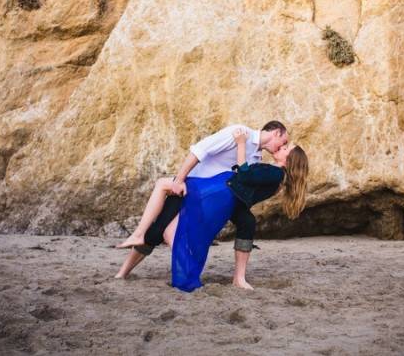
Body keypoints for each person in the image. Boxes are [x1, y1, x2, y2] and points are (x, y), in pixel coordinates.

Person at [114, 121, 289, 283]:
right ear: (276, 133)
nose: (282, 147)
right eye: (283, 142)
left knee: (245, 221)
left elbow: (241, 181)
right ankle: (123, 272)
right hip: (190, 186)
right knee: (156, 231)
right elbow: (200, 150)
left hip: (206, 197)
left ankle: (227, 276)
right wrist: (179, 180)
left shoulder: (256, 157)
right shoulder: (240, 133)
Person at [171, 127, 308, 291]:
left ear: (289, 161)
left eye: (286, 149)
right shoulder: (276, 173)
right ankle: (237, 277)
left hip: (226, 192)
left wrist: (241, 143)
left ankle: (235, 277)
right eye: (284, 145)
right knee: (245, 222)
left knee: (174, 193)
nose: (282, 147)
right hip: (232, 196)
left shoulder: (276, 173)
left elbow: (244, 175)